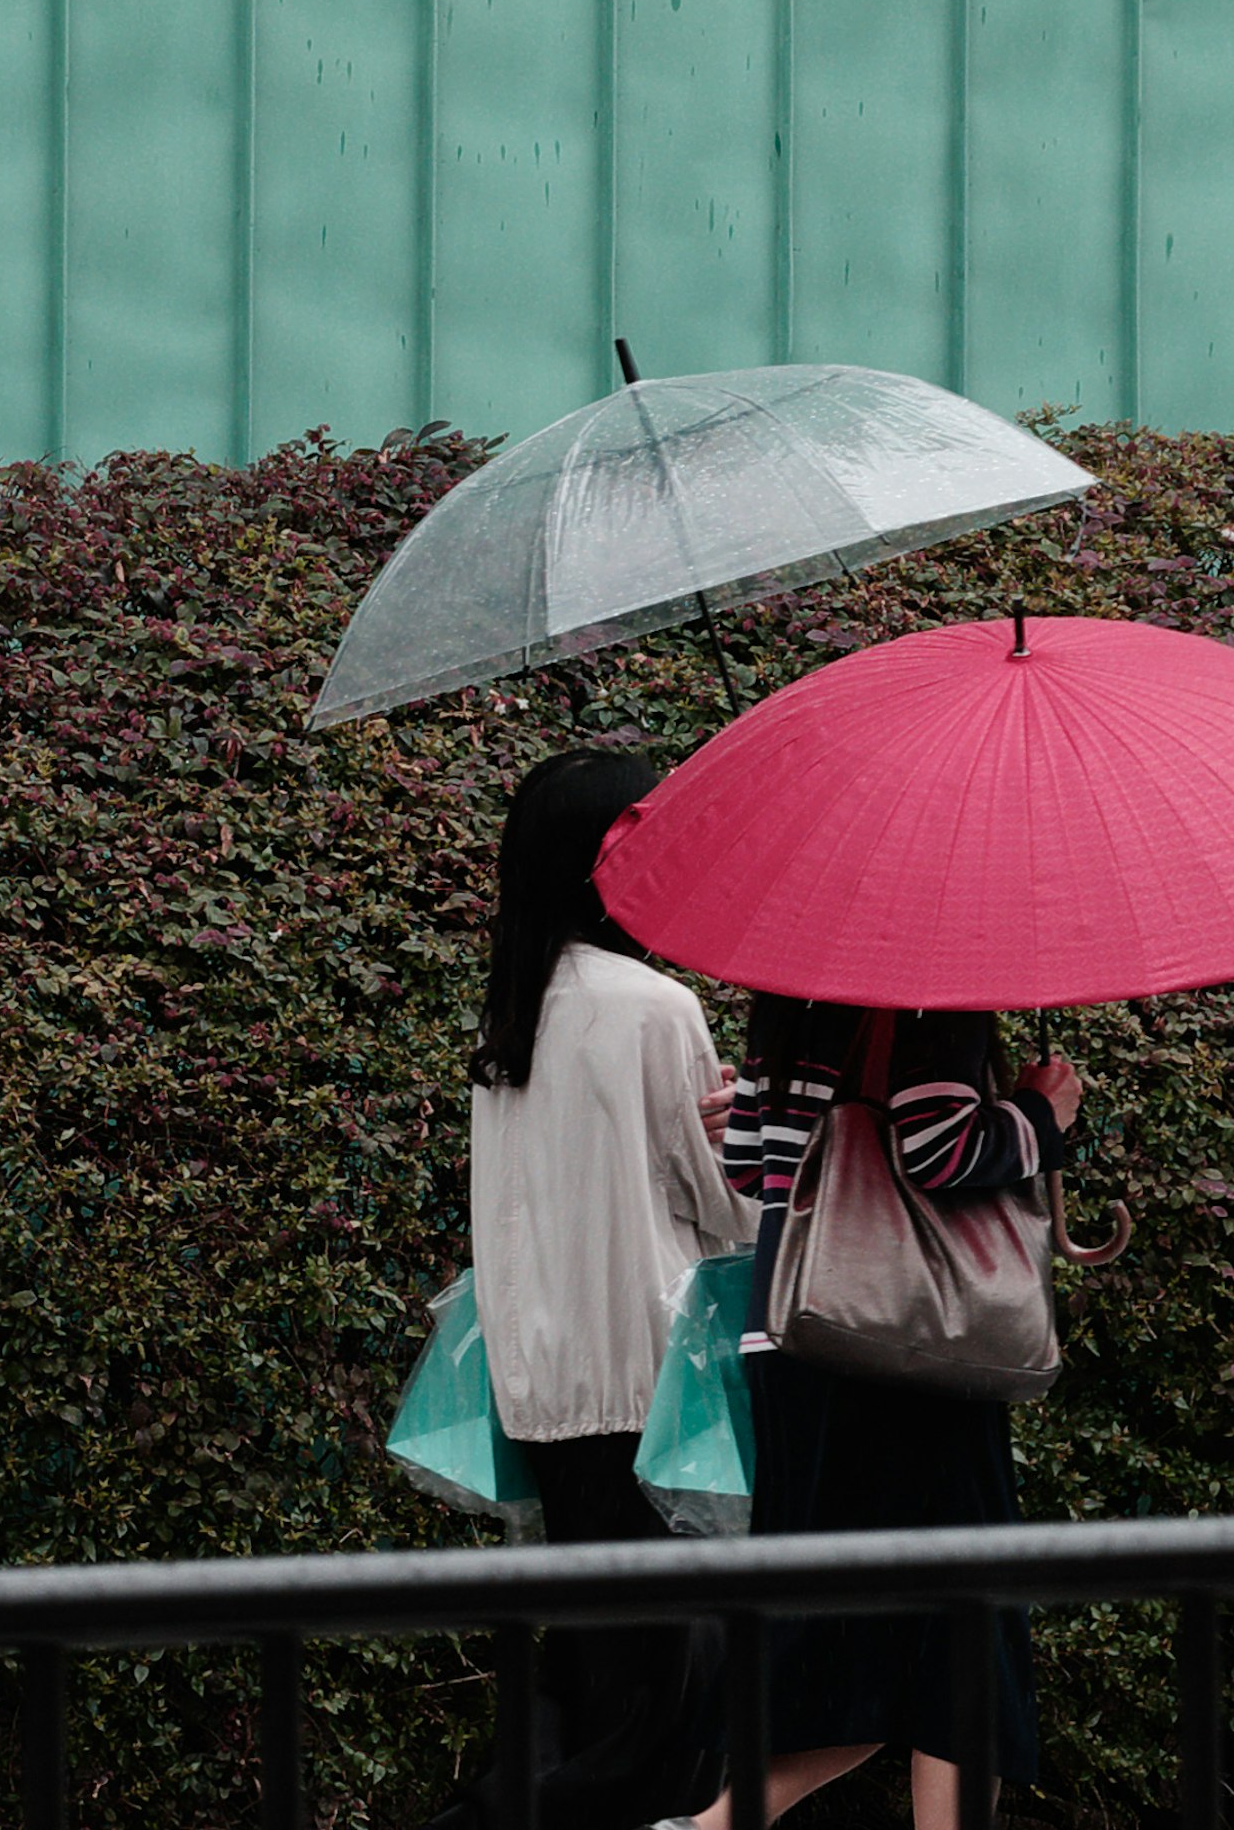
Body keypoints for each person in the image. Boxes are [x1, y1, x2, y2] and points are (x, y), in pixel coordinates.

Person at [432, 743, 750, 1830]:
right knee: (667, 1708)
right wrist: (756, 1127)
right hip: (651, 1390)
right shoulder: (656, 1007)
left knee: (589, 1679)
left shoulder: (511, 1021)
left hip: (545, 1395)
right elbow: (727, 1214)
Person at [685, 1001, 1084, 1830]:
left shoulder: (790, 990)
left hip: (796, 1330)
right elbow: (938, 1147)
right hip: (903, 1351)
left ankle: (706, 1829)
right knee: (963, 1627)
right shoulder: (935, 988)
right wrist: (1042, 1111)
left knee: (846, 1632)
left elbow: (755, 1167)